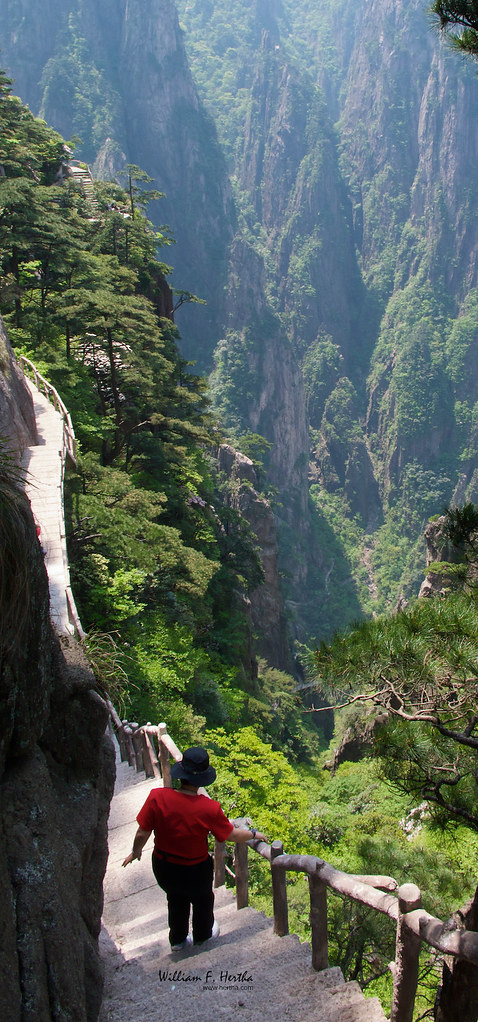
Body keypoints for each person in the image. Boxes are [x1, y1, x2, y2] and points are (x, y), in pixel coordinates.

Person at [122, 746, 266, 951]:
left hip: (164, 866)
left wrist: (135, 852)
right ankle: (203, 936)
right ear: (202, 779)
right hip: (195, 870)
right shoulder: (209, 808)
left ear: (181, 774)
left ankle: (178, 941)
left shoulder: (157, 797)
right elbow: (231, 835)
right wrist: (253, 834)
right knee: (202, 900)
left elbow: (142, 832)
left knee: (175, 898)